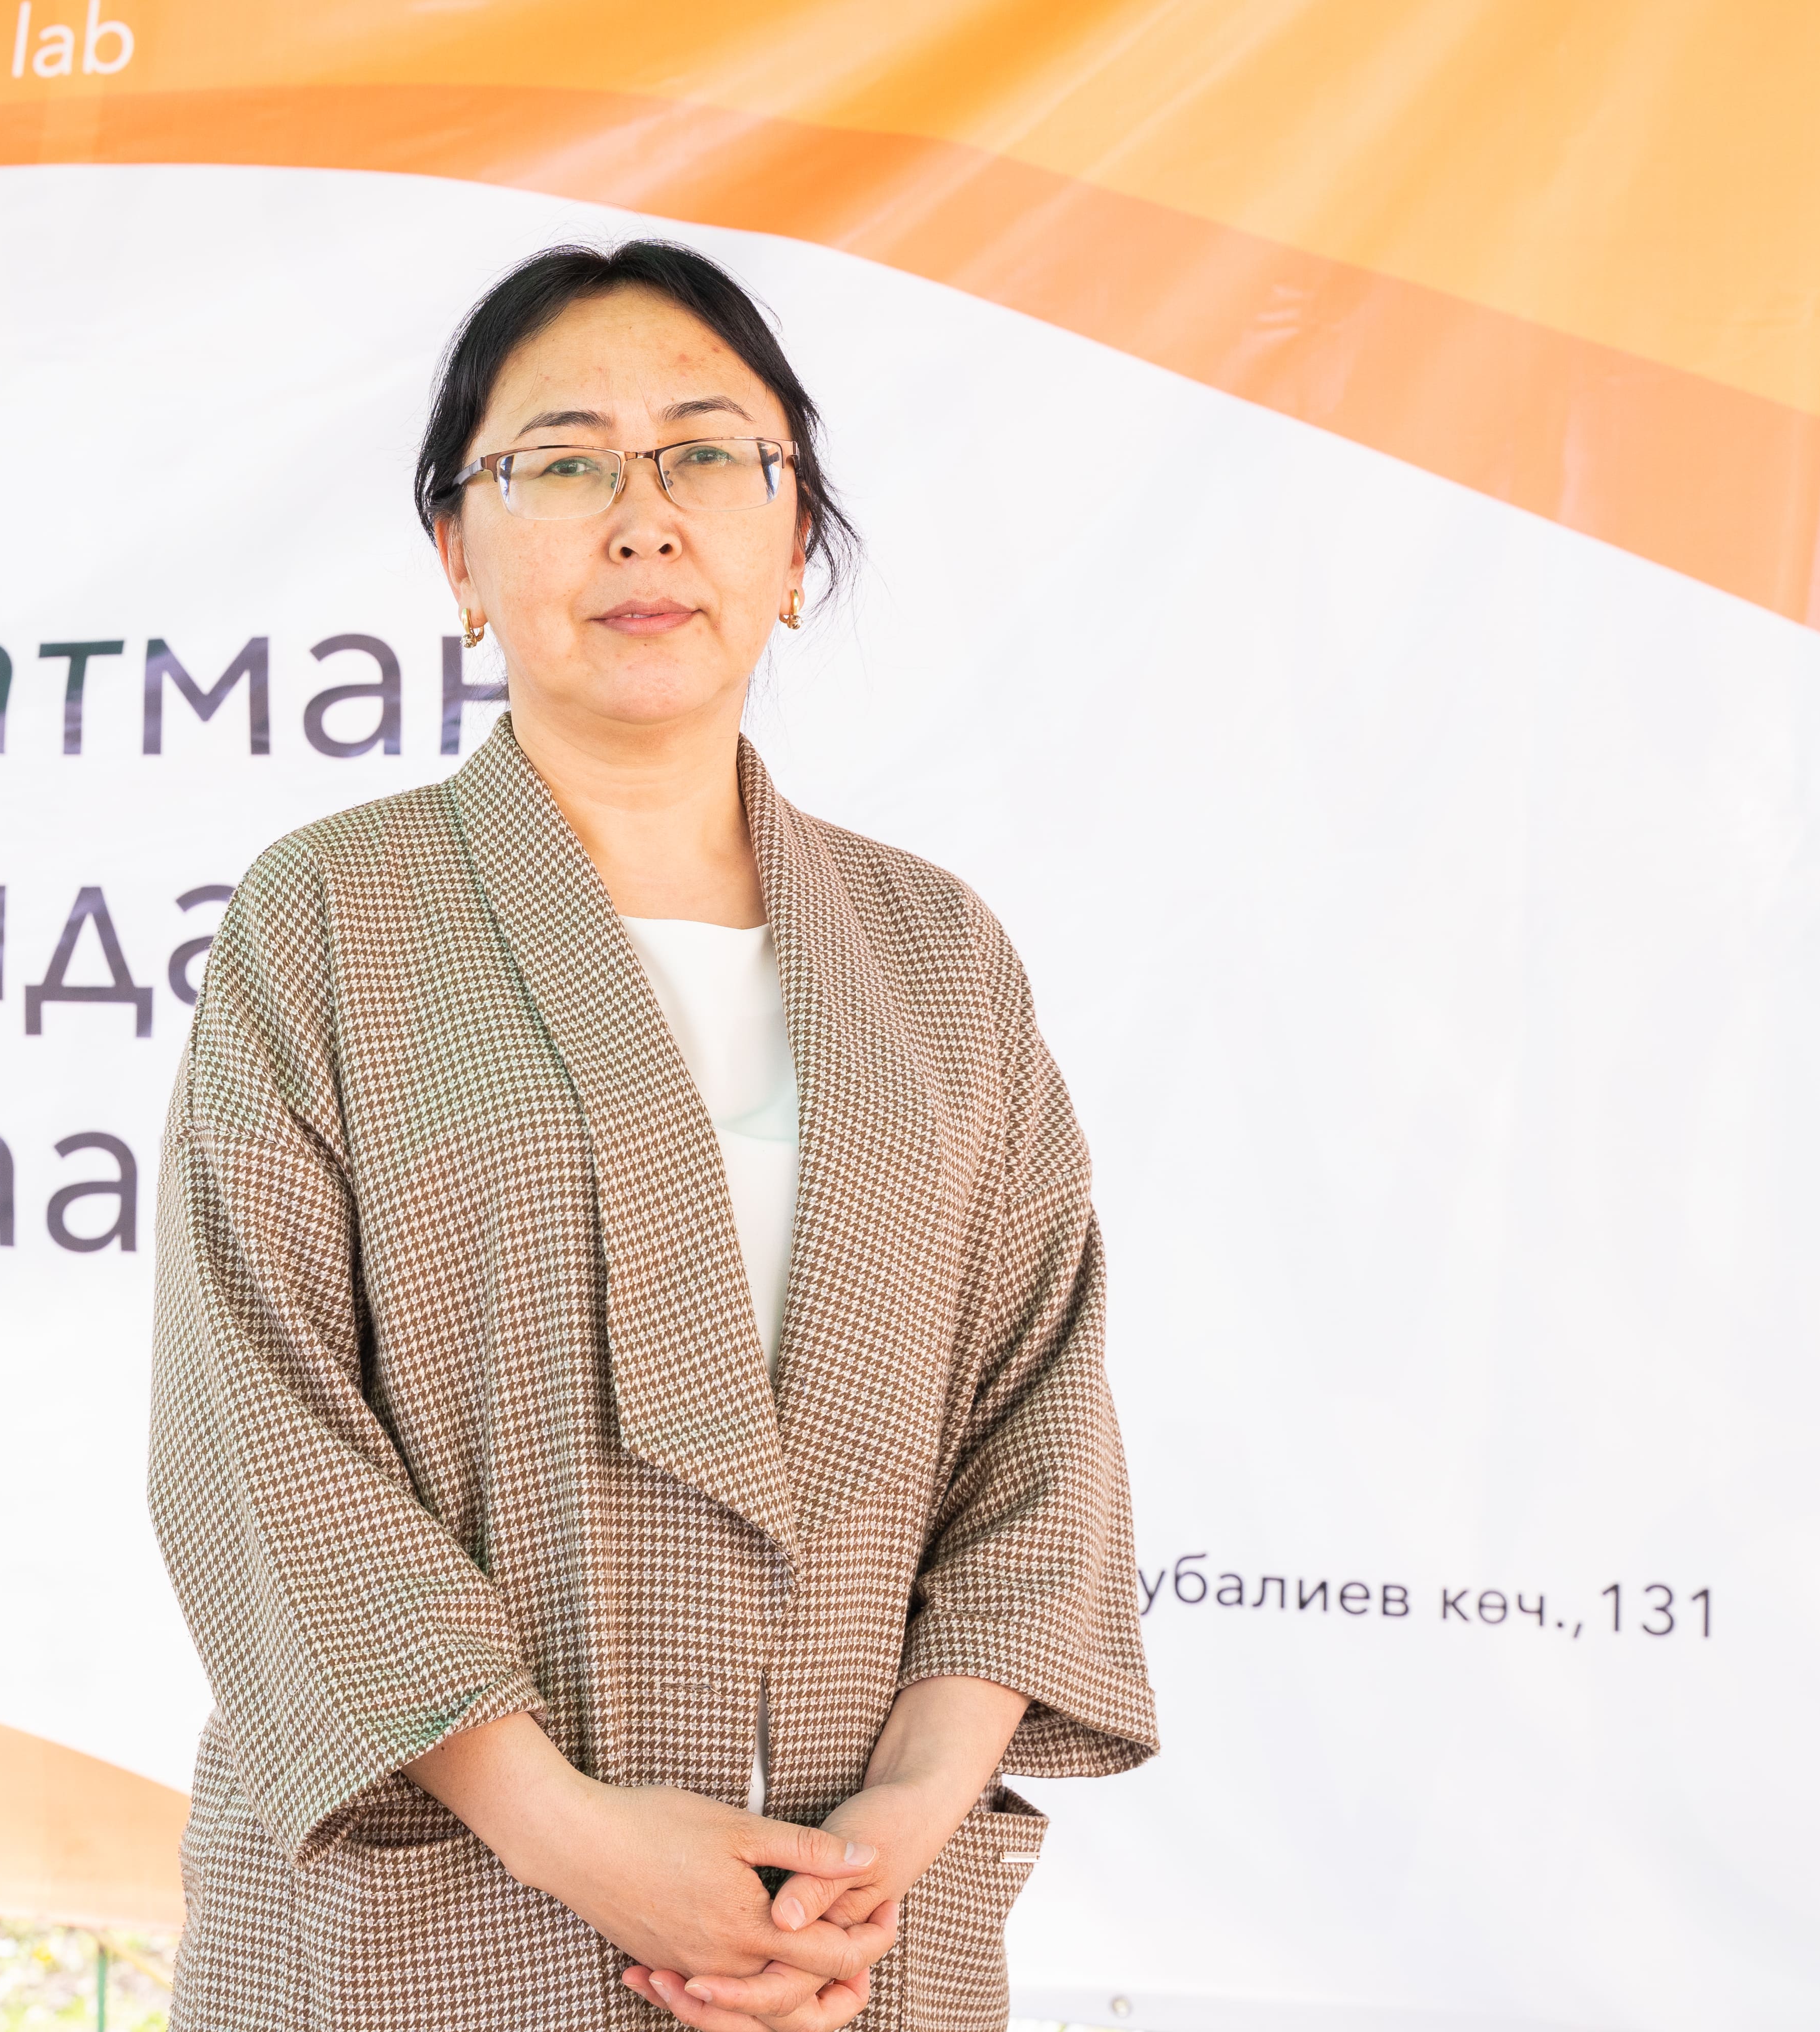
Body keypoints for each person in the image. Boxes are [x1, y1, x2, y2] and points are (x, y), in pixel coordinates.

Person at [148, 240, 1157, 2032]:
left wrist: (887, 1843)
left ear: (792, 541)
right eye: (562, 459)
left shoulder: (937, 953)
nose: (643, 516)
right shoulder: (329, 923)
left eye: (707, 452)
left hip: (853, 1939)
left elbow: (1040, 1429)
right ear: (459, 556)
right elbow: (261, 1438)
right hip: (452, 1930)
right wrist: (576, 1837)